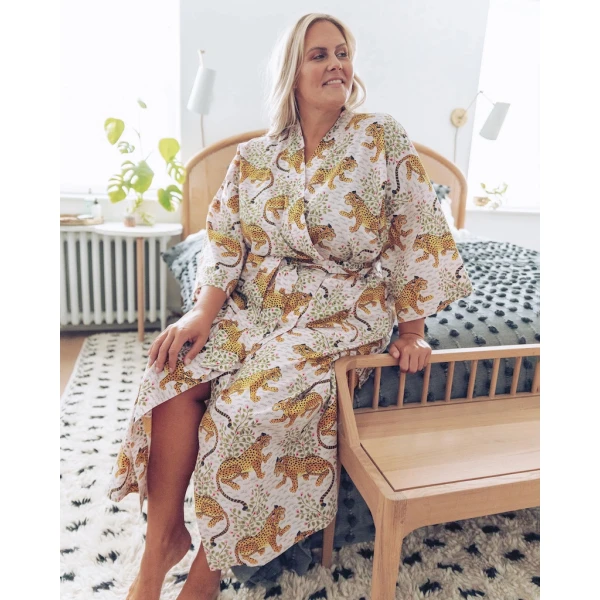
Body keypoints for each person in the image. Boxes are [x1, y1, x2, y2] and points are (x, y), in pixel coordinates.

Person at [106, 12, 473, 600]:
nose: (336, 64)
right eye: (319, 55)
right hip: (256, 305)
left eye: (342, 53)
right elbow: (225, 240)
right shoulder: (253, 157)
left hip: (339, 312)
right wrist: (202, 313)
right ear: (292, 72)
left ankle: (205, 577)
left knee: (245, 412)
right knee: (169, 371)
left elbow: (416, 231)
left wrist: (412, 330)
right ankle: (159, 548)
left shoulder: (381, 137)